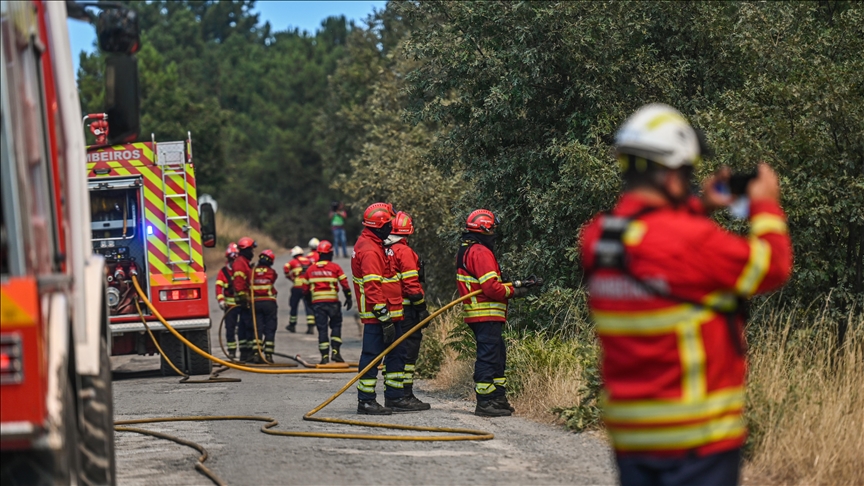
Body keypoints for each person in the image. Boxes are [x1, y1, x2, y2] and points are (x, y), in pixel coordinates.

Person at [580, 103, 792, 486]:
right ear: (672, 175)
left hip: (632, 438)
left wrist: (701, 205)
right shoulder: (691, 242)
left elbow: (654, 240)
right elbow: (774, 266)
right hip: (696, 442)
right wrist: (765, 205)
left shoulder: (598, 239)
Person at [456, 209, 532, 417]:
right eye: (493, 230)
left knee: (498, 355)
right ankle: (485, 402)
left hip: (484, 314)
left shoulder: (469, 249)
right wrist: (514, 292)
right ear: (485, 229)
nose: (495, 235)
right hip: (485, 313)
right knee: (488, 357)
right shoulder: (480, 252)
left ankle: (497, 398)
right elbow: (490, 288)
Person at [352, 202, 426, 414]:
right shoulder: (370, 250)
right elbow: (373, 287)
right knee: (372, 356)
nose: (390, 228)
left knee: (398, 353)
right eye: (388, 224)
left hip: (392, 313)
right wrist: (384, 317)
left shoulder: (375, 245)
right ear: (380, 225)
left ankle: (395, 397)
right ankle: (366, 400)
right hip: (379, 316)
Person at [384, 211, 431, 410]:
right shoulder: (404, 251)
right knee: (408, 351)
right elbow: (412, 284)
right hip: (407, 309)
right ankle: (404, 394)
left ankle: (394, 393)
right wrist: (422, 308)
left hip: (389, 309)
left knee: (394, 350)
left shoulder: (382, 250)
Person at [299, 240, 352, 364]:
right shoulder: (335, 267)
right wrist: (348, 297)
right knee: (336, 326)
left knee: (322, 329)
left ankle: (324, 357)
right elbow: (344, 283)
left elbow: (305, 290)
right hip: (333, 302)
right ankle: (336, 352)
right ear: (329, 254)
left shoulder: (310, 269)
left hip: (318, 304)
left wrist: (309, 302)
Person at [232, 236, 257, 362]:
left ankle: (246, 353)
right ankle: (247, 353)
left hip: (246, 300)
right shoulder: (240, 263)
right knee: (247, 326)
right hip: (244, 301)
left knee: (244, 325)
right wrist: (243, 298)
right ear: (246, 250)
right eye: (251, 250)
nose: (253, 253)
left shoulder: (244, 262)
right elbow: (239, 282)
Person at [252, 249, 279, 363]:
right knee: (270, 328)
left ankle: (256, 354)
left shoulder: (252, 271)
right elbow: (273, 279)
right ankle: (268, 355)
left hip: (256, 303)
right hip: (269, 303)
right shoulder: (272, 272)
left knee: (257, 329)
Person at [215, 242, 240, 358]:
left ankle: (246, 351)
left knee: (245, 328)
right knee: (230, 329)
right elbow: (219, 287)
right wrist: (221, 301)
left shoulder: (243, 269)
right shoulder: (223, 272)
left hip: (243, 305)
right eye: (232, 259)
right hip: (229, 307)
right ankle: (232, 351)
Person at [284, 246, 316, 334]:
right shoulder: (309, 261)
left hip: (297, 287)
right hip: (307, 287)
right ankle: (310, 327)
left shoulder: (292, 262)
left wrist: (291, 278)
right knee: (309, 306)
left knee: (293, 306)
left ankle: (292, 325)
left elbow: (286, 268)